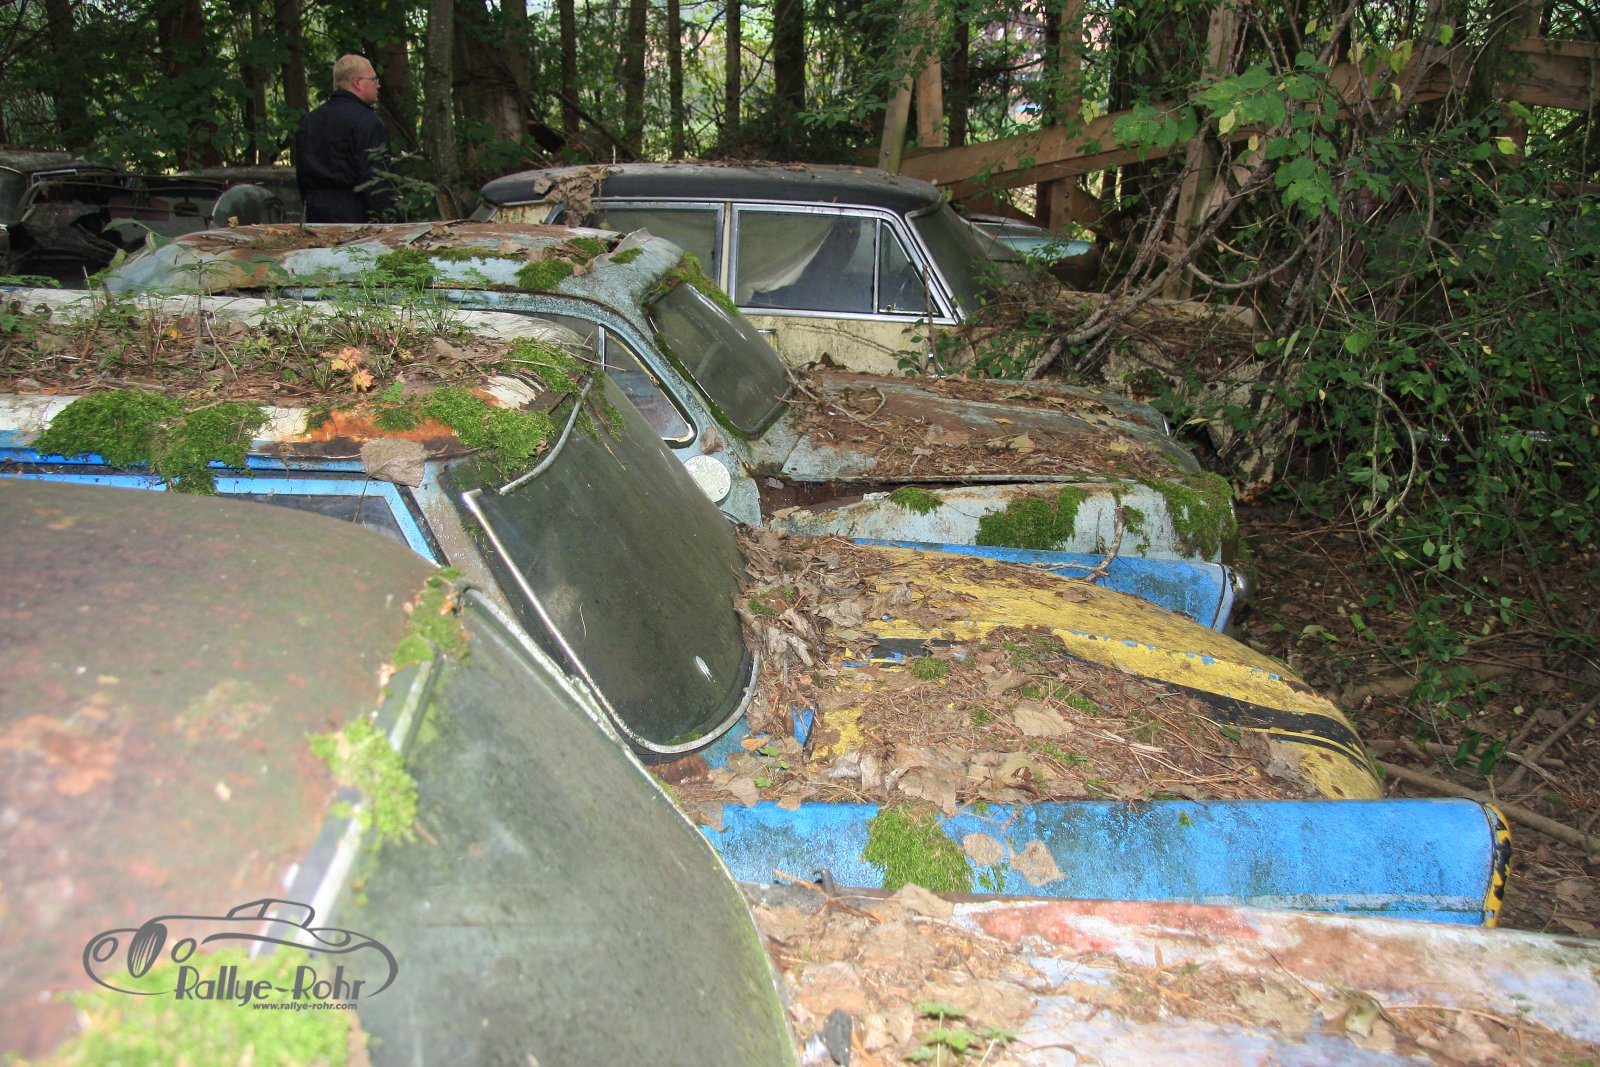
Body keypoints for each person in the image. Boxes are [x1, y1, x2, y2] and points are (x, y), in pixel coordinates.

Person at [294, 54, 395, 223]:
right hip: (359, 221)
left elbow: (302, 177)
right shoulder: (367, 122)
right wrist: (389, 221)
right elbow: (376, 180)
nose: (378, 85)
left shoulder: (309, 121)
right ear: (357, 83)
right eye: (373, 80)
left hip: (317, 218)